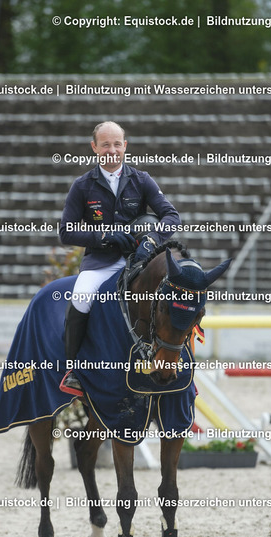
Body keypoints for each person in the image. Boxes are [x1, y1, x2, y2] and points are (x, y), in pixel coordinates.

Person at [59, 121, 181, 395]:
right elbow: (66, 231)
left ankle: (175, 363)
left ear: (125, 146)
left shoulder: (142, 179)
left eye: (117, 144)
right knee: (81, 296)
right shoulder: (82, 186)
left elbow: (171, 216)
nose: (111, 150)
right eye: (105, 145)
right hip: (100, 263)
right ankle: (73, 369)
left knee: (173, 294)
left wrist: (152, 240)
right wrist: (104, 235)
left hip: (139, 260)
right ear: (94, 148)